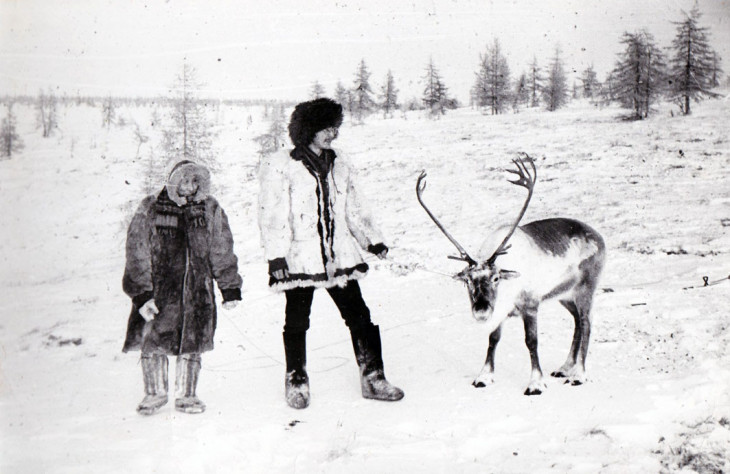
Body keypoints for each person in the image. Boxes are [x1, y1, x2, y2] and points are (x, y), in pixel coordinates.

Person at [258, 97, 404, 409]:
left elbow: (354, 207)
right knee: (297, 320)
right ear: (308, 128)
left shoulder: (341, 162)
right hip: (301, 256)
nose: (332, 134)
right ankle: (296, 379)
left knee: (360, 316)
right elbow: (273, 215)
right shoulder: (282, 165)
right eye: (326, 127)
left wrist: (371, 240)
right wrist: (277, 256)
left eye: (335, 127)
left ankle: (373, 377)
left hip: (340, 255)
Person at [122, 160, 243, 416]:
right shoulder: (151, 207)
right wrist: (142, 294)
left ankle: (187, 395)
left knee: (193, 342)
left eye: (195, 181)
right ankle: (154, 393)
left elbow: (221, 248)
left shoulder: (210, 208)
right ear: (174, 180)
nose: (190, 186)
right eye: (185, 180)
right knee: (154, 340)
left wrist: (229, 287)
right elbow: (137, 251)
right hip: (159, 292)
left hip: (197, 291)